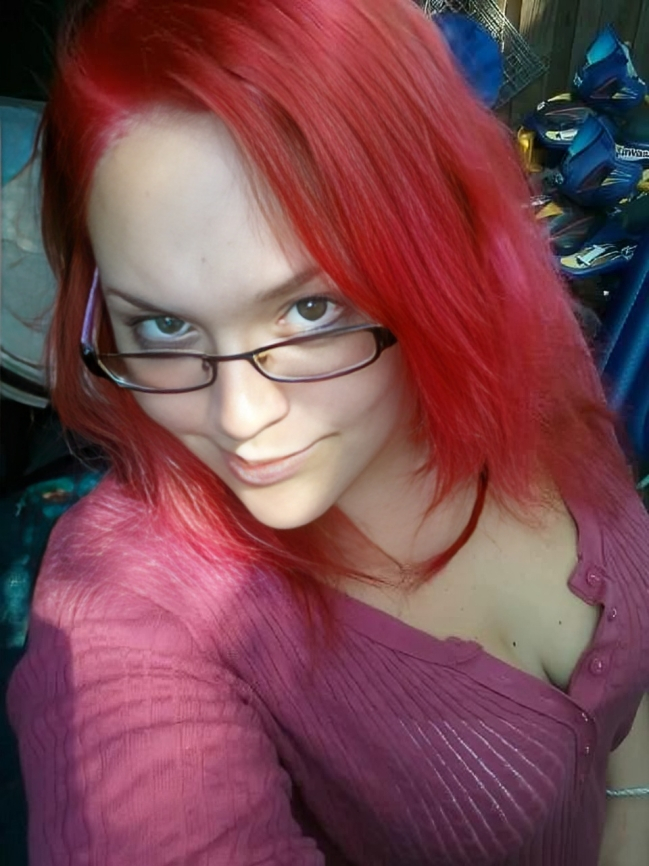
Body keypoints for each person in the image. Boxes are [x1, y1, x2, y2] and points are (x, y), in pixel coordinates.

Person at [6, 0, 649, 863]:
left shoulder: (527, 357)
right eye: (162, 326)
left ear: (444, 253)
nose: (239, 420)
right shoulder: (129, 605)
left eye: (311, 309)